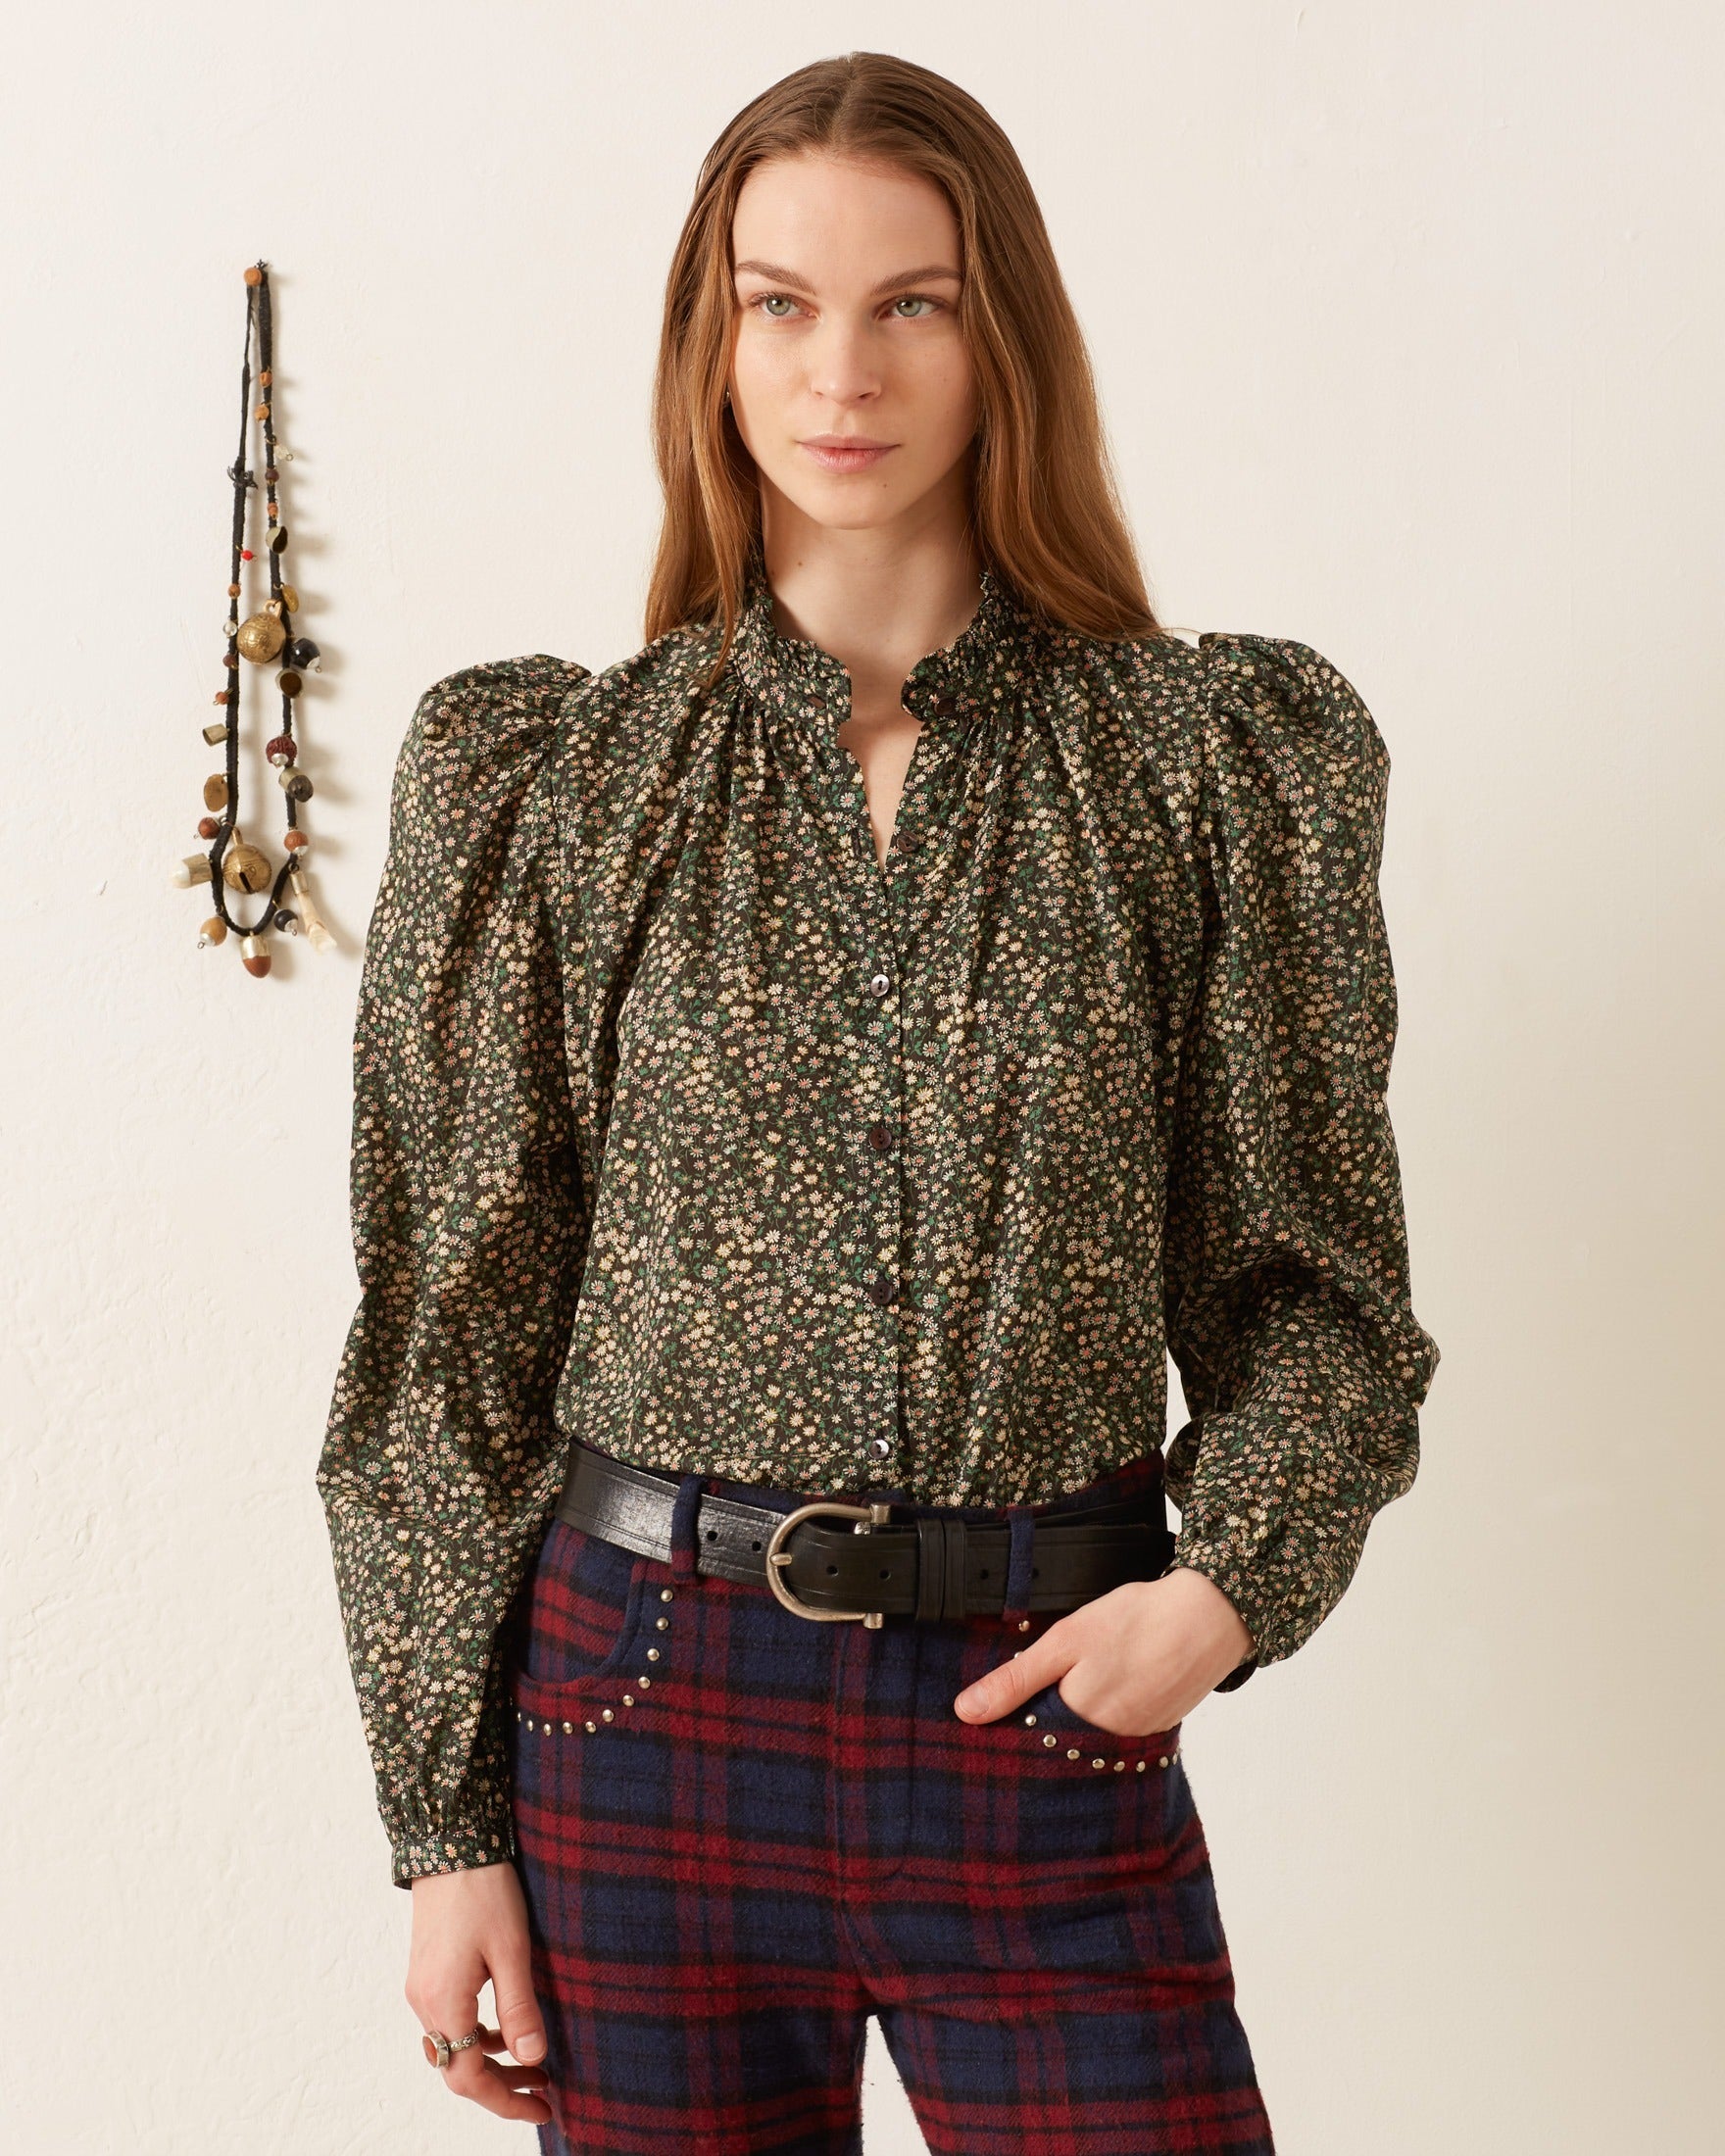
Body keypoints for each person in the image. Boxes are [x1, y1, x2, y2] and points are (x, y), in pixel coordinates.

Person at [317, 49, 1440, 2155]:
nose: (843, 367)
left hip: (1043, 1693)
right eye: (780, 301)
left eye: (910, 300)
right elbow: (446, 1346)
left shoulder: (1198, 764)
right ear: (708, 339)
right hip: (637, 1713)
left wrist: (1225, 1588)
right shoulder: (561, 785)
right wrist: (441, 1825)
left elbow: (1316, 1297)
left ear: (997, 329)